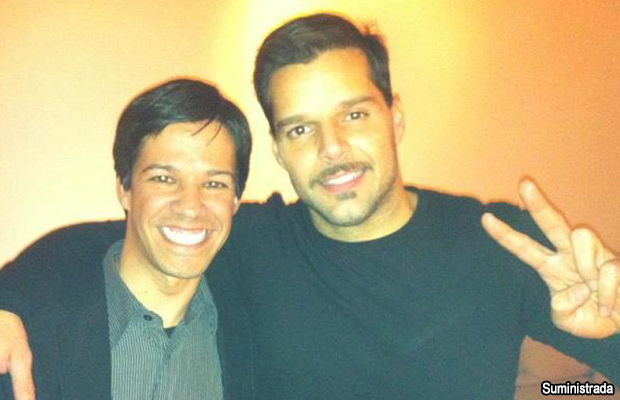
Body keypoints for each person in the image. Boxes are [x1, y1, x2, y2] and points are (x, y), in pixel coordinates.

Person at [2, 12, 620, 400]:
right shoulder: (250, 242)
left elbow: (584, 388)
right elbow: (117, 239)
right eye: (300, 129)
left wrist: (610, 333)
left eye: (354, 115)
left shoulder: (500, 241)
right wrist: (6, 300)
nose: (332, 149)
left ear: (394, 117)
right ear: (278, 149)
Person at [0, 78, 254, 400]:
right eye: (164, 179)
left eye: (215, 184)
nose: (191, 206)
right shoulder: (31, 334)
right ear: (125, 189)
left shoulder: (251, 328)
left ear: (235, 200)